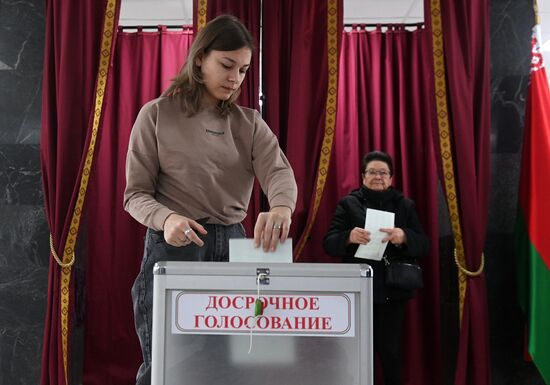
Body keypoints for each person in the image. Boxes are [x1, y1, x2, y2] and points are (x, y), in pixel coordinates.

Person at [123, 15, 297, 385]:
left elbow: (279, 173)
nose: (235, 78)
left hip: (237, 246)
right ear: (200, 58)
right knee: (167, 365)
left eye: (244, 70)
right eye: (227, 65)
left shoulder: (249, 124)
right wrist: (167, 220)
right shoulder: (156, 115)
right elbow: (135, 194)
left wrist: (281, 207)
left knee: (232, 365)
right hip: (176, 246)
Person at [323, 151, 428, 385]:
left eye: (383, 172)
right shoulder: (348, 204)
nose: (378, 177)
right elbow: (328, 243)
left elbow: (424, 245)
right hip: (357, 293)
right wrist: (348, 237)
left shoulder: (405, 205)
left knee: (390, 353)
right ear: (363, 176)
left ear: (391, 178)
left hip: (393, 291)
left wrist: (404, 236)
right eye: (372, 172)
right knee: (357, 353)